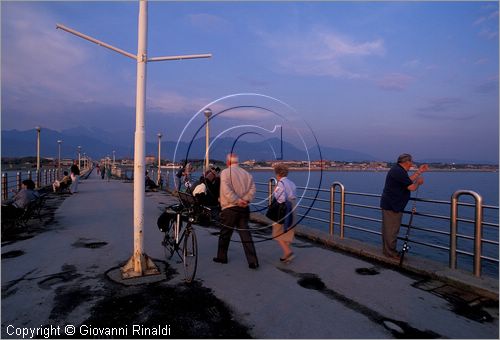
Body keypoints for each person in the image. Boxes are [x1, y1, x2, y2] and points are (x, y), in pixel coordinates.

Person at [213, 153, 259, 269]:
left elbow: (226, 190)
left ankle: (222, 257)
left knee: (225, 233)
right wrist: (245, 200)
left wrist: (237, 200)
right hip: (244, 208)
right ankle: (253, 261)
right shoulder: (247, 174)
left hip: (230, 208)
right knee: (246, 235)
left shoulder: (225, 173)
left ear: (228, 162)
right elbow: (253, 189)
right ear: (237, 162)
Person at [380, 153, 428, 259]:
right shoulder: (399, 172)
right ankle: (391, 253)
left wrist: (419, 172)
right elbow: (411, 187)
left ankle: (387, 251)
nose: (412, 164)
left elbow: (407, 181)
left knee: (388, 229)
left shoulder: (398, 170)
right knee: (392, 230)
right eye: (411, 162)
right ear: (407, 162)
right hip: (392, 205)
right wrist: (418, 183)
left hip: (390, 204)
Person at [271, 163, 297, 263]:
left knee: (276, 232)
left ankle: (288, 252)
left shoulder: (280, 184)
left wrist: (275, 191)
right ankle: (286, 255)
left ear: (277, 174)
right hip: (293, 206)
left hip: (283, 209)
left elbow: (280, 199)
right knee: (288, 230)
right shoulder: (292, 183)